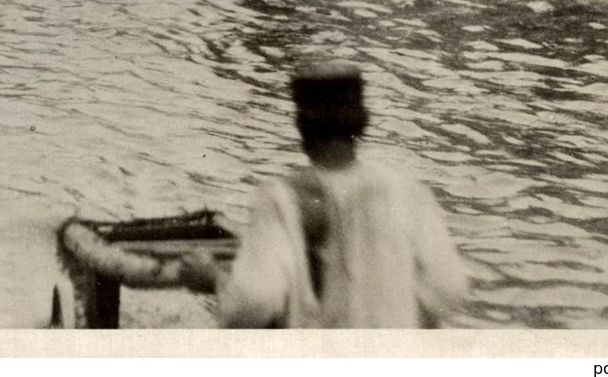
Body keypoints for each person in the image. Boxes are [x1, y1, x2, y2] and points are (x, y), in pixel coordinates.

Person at [180, 61, 469, 328]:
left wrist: (213, 278)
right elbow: (450, 289)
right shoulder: (408, 191)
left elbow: (255, 302)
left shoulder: (281, 198)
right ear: (363, 121)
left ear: (301, 125)